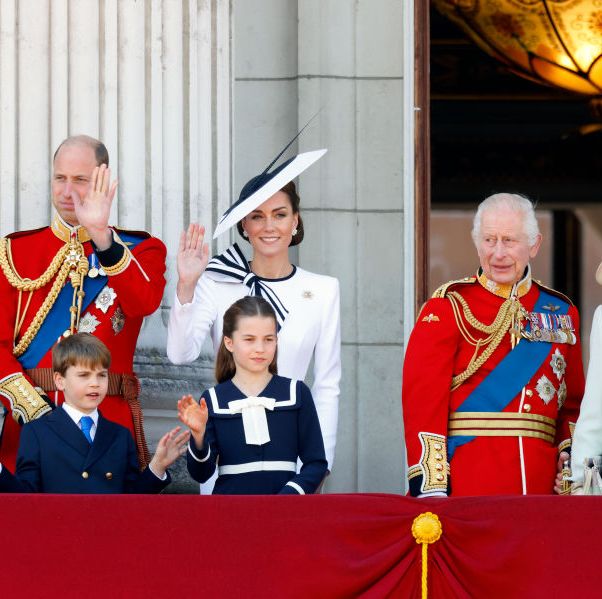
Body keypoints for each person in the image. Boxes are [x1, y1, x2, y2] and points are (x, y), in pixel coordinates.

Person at [167, 143, 340, 488]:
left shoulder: (323, 289)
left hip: (293, 455)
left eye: (279, 214)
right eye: (257, 216)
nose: (268, 226)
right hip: (226, 450)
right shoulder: (217, 281)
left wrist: (321, 465)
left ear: (295, 221)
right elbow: (179, 354)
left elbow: (326, 385)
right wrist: (187, 284)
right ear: (244, 225)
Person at [0, 135, 167, 471]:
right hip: (31, 427)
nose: (67, 191)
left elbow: (142, 303)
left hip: (108, 425)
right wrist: (34, 411)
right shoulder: (14, 253)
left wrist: (102, 237)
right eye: (60, 178)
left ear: (103, 182)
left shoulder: (141, 250)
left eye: (80, 180)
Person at [402, 192, 584, 496]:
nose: (498, 253)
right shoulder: (449, 307)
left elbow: (573, 406)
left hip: (541, 489)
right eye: (489, 240)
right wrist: (431, 485)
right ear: (477, 243)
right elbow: (422, 402)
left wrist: (569, 467)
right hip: (468, 482)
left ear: (534, 245)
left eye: (509, 241)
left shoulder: (562, 313)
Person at [0, 333, 189, 493]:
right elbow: (24, 496)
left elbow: (132, 500)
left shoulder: (120, 435)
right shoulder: (37, 432)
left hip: (108, 534)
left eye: (102, 375)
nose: (95, 383)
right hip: (56, 533)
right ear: (60, 381)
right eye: (84, 375)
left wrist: (157, 466)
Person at [177, 296, 327, 494]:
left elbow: (316, 463)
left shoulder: (297, 393)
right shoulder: (213, 399)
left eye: (268, 339)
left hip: (285, 515)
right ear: (229, 343)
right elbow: (201, 474)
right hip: (230, 514)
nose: (260, 349)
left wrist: (288, 497)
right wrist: (198, 436)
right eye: (249, 339)